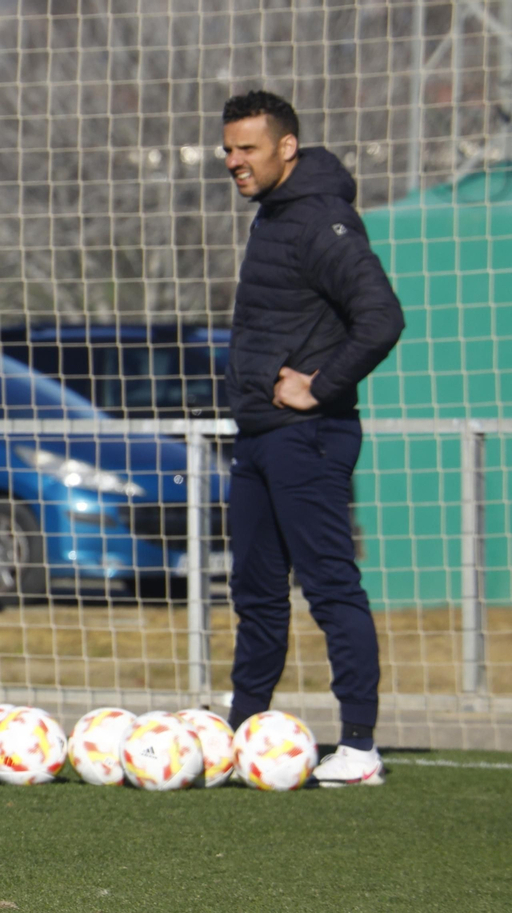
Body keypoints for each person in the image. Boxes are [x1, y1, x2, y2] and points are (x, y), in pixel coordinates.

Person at [219, 91, 405, 785]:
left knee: (330, 588)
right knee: (256, 591)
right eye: (229, 150)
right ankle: (243, 731)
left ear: (286, 148)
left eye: (249, 149)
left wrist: (319, 385)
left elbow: (382, 317)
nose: (235, 161)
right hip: (261, 437)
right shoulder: (272, 214)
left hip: (310, 436)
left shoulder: (322, 219)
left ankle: (358, 745)